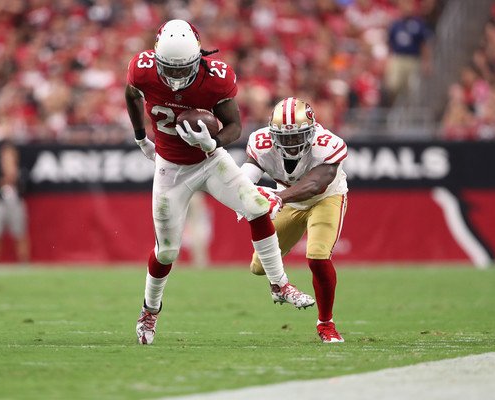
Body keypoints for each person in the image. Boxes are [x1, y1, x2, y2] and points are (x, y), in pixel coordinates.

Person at [125, 19, 315, 345]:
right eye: (168, 69)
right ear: (157, 58)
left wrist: (211, 144)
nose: (174, 77)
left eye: (181, 68)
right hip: (171, 167)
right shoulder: (142, 69)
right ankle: (150, 310)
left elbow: (234, 127)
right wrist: (141, 137)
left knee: (257, 208)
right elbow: (131, 95)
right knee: (167, 251)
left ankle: (279, 284)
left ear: (198, 57)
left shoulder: (216, 78)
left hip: (210, 161)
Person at [240, 97, 349, 343]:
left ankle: (326, 324)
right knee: (258, 267)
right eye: (284, 137)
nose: (290, 143)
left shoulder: (328, 144)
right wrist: (241, 194)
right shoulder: (261, 142)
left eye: (297, 136)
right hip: (289, 202)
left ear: (312, 131)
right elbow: (248, 174)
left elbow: (315, 183)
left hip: (325, 199)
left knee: (318, 256)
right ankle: (279, 285)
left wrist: (278, 197)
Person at [0, 140, 30, 264]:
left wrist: (14, 176)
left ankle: (23, 260)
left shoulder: (21, 169)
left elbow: (25, 187)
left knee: (20, 233)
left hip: (16, 203)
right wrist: (7, 177)